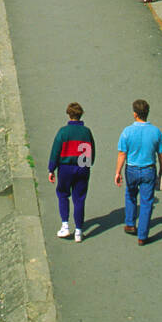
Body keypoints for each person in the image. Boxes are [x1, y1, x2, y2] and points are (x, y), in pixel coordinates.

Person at [115, 99, 162, 245]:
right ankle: (142, 236)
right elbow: (161, 153)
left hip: (131, 169)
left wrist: (117, 172)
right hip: (149, 169)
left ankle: (130, 223)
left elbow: (122, 154)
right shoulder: (156, 132)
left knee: (130, 194)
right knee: (146, 202)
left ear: (135, 114)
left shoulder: (127, 132)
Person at [48, 102, 96, 242]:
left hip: (65, 167)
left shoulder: (63, 132)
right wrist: (88, 164)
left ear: (69, 115)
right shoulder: (86, 132)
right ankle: (79, 231)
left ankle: (65, 225)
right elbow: (91, 150)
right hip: (82, 166)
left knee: (63, 194)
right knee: (79, 198)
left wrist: (51, 169)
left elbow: (55, 151)